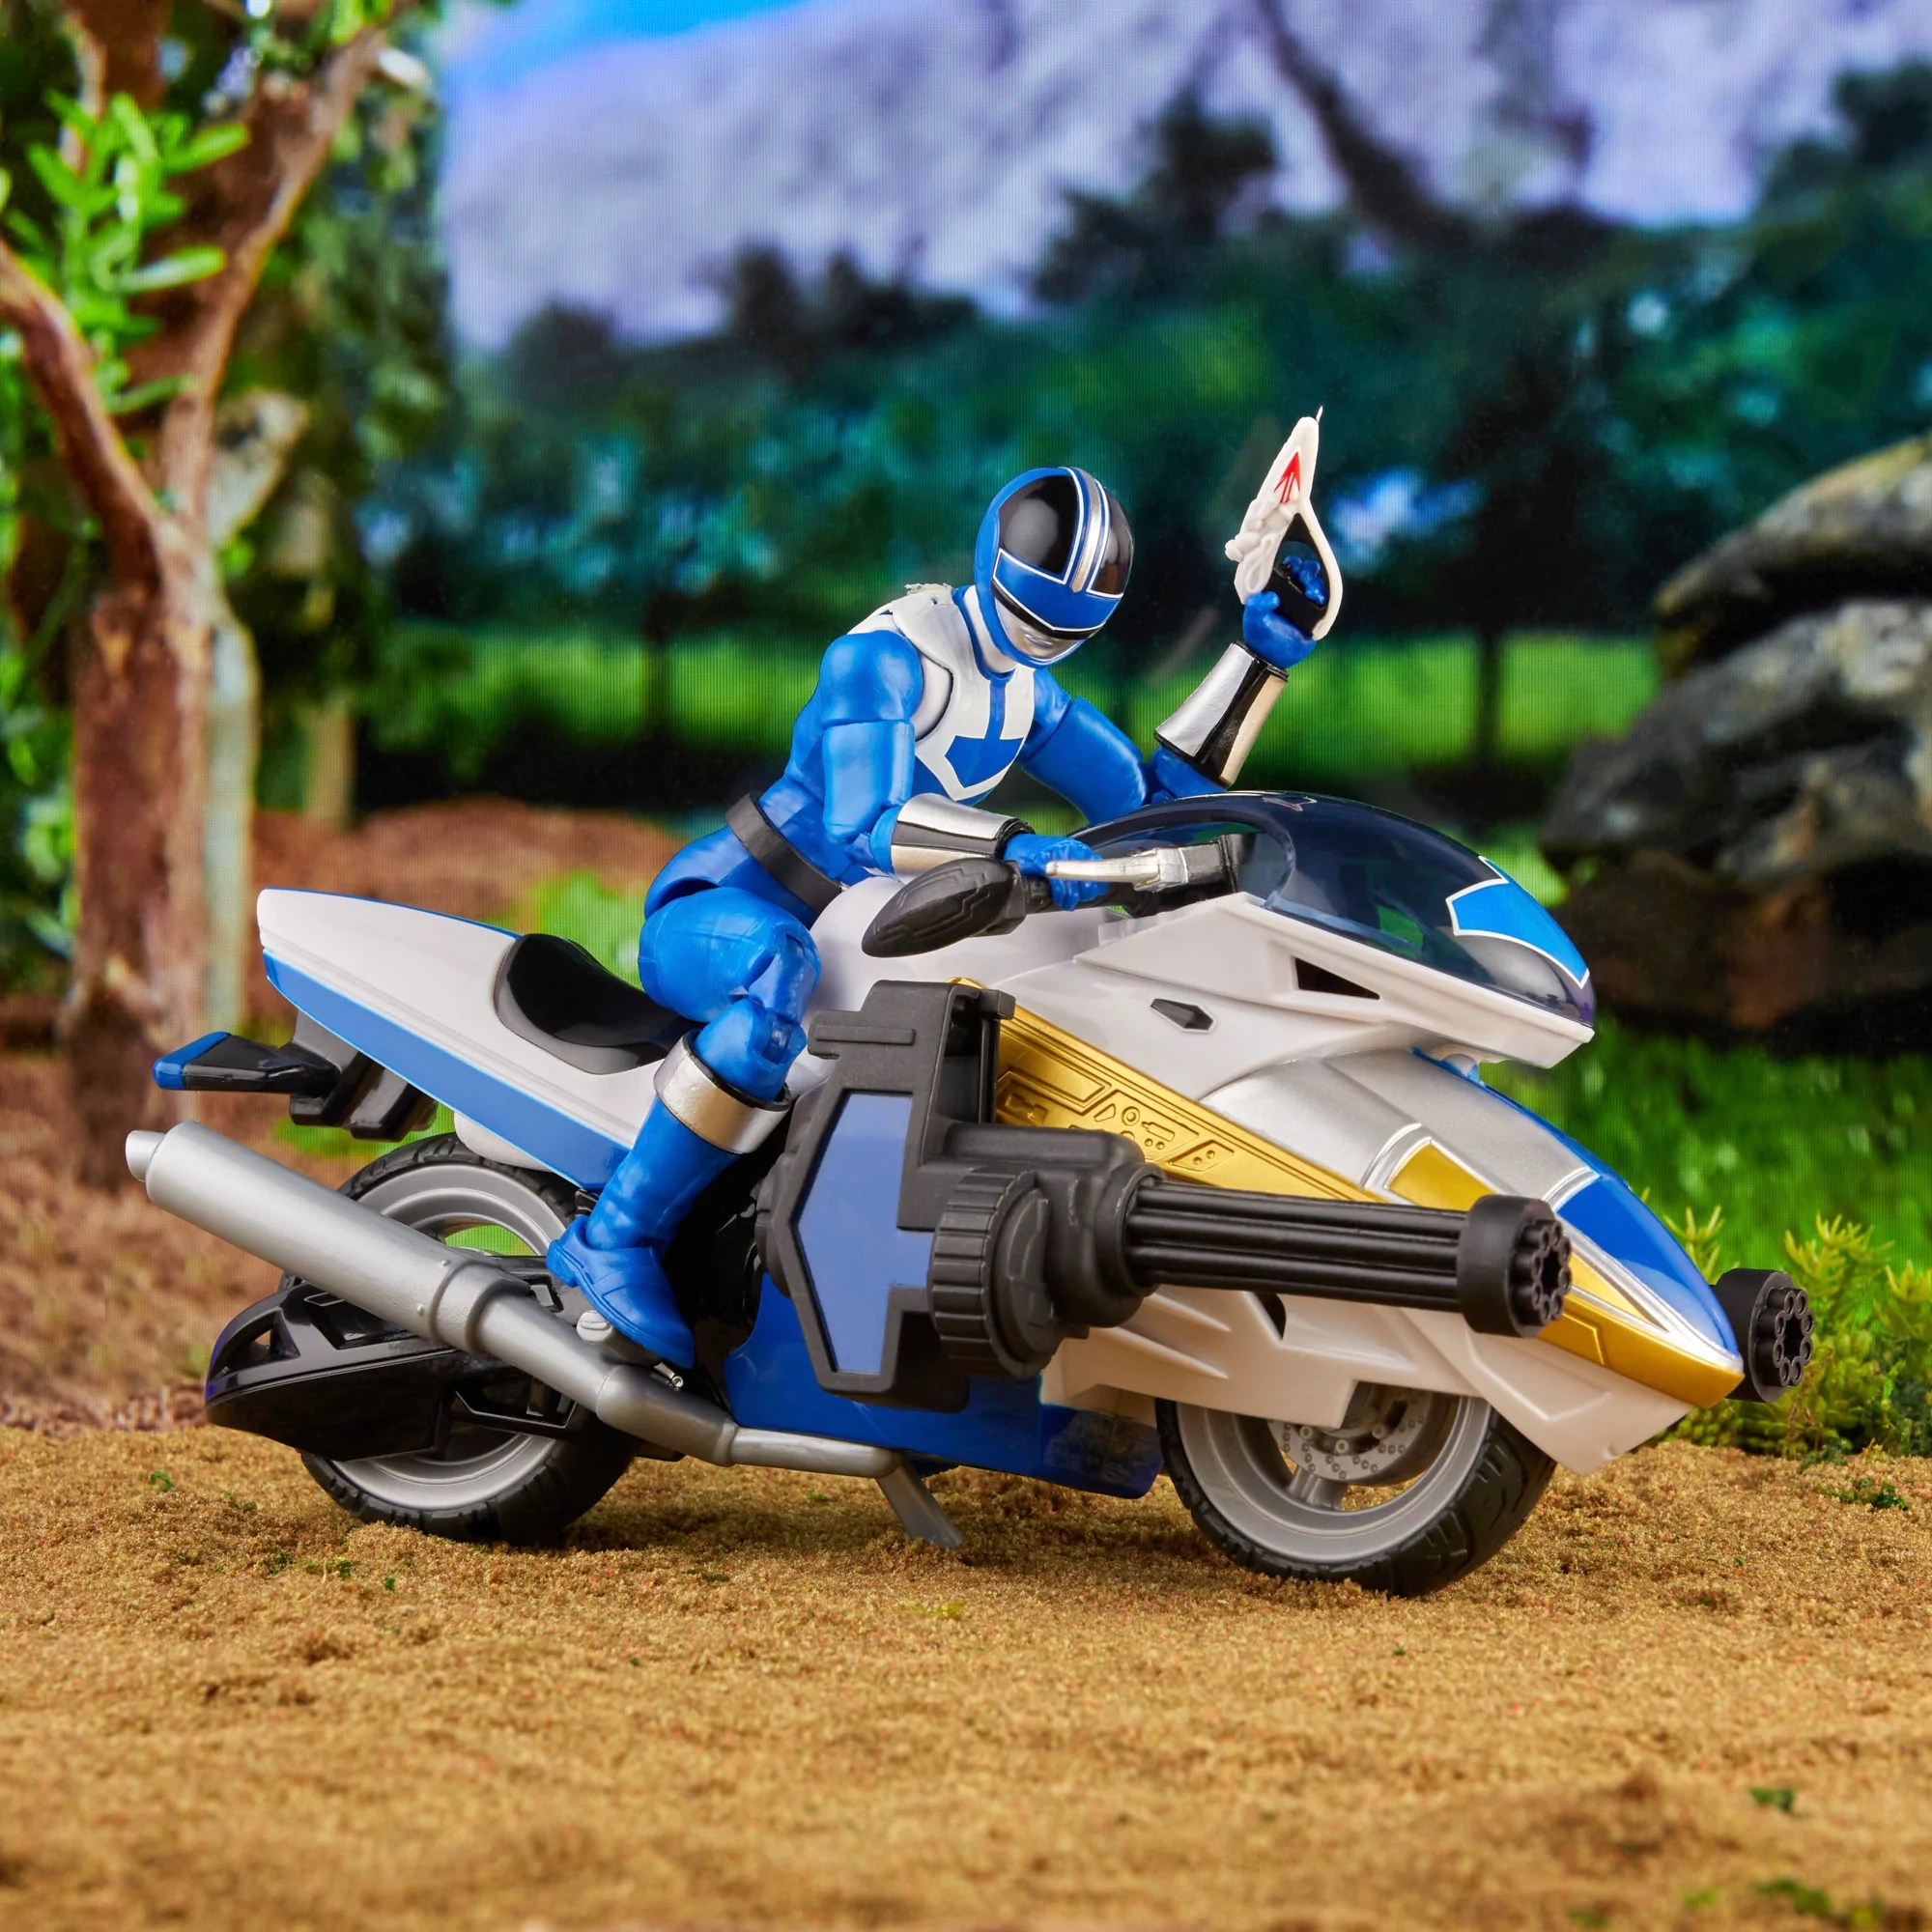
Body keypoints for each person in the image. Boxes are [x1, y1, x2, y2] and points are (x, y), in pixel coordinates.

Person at [547, 464, 1327, 1362]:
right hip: (731, 904)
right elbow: (866, 823)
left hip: (857, 928)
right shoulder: (883, 659)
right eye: (1030, 620)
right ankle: (613, 1237)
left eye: (1064, 635)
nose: (1040, 643)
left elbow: (1148, 804)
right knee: (777, 981)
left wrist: (1259, 658)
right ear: (992, 564)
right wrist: (1012, 846)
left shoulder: (1028, 690)